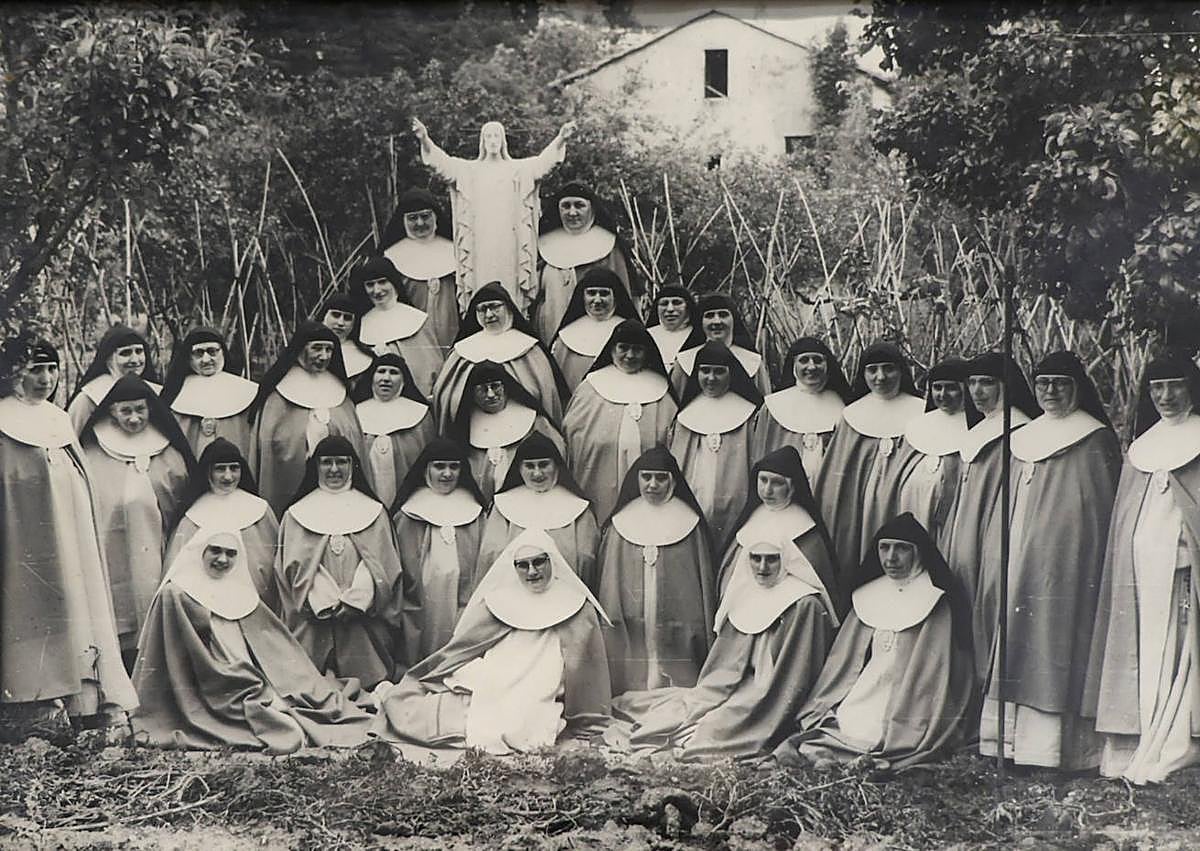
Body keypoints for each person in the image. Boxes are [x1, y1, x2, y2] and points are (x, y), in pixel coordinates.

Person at [977, 351, 1121, 770]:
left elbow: (1094, 509)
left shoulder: (1093, 438)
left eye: (1061, 383)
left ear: (1077, 388)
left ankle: (1053, 750)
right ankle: (1005, 743)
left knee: (1052, 640)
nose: (1051, 392)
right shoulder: (1023, 436)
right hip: (1018, 550)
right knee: (1012, 632)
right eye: (1043, 384)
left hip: (1065, 565)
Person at [132, 531, 377, 753]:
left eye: (231, 553)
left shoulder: (239, 590)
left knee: (303, 707)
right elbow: (176, 659)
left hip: (251, 677)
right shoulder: (176, 594)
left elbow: (274, 644)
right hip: (211, 684)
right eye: (215, 551)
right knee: (282, 725)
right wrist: (236, 677)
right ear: (199, 551)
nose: (222, 560)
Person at [372, 529, 611, 755]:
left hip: (544, 681)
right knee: (415, 712)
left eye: (539, 562)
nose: (532, 572)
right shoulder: (500, 600)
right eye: (523, 565)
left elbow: (585, 669)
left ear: (552, 561)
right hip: (499, 674)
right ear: (514, 568)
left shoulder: (575, 605)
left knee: (525, 722)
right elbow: (463, 648)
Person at [0, 337, 137, 724]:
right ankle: (34, 697)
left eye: (51, 369)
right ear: (12, 373)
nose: (46, 379)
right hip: (26, 541)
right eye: (35, 370)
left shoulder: (58, 419)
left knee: (80, 600)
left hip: (70, 532)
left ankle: (85, 697)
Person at [773, 513, 974, 771]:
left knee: (879, 733)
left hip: (911, 694)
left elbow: (935, 672)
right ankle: (835, 757)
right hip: (869, 685)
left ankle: (844, 758)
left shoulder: (936, 600)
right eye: (884, 548)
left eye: (901, 549)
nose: (891, 558)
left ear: (919, 552)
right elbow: (846, 658)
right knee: (847, 723)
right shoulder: (870, 593)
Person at [613, 536, 839, 762]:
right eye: (755, 558)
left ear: (787, 560)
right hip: (736, 683)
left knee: (712, 730)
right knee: (676, 710)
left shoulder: (804, 604)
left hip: (770, 692)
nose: (762, 568)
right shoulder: (747, 591)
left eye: (772, 560)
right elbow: (727, 664)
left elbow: (793, 677)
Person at [1083, 352, 1200, 784]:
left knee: (1181, 653)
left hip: (1182, 570)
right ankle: (1142, 734)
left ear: (1192, 388)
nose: (1166, 396)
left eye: (1175, 386)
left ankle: (1179, 737)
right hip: (1140, 571)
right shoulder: (1143, 447)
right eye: (1157, 389)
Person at [276, 436, 412, 687]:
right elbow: (293, 567)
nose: (335, 469)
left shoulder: (375, 511)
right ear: (316, 466)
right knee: (313, 683)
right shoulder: (296, 514)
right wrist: (323, 601)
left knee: (367, 683)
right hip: (314, 619)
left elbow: (383, 563)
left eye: (342, 462)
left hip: (363, 620)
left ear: (353, 466)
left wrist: (357, 600)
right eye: (327, 462)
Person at [79, 375, 194, 661]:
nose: (134, 418)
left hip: (159, 547)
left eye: (140, 410)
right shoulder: (93, 452)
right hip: (109, 549)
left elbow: (181, 499)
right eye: (125, 411)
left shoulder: (168, 451)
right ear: (111, 412)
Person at [940, 352, 1038, 681]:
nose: (977, 390)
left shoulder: (1018, 428)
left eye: (987, 382)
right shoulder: (981, 428)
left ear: (1005, 385)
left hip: (994, 530)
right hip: (965, 528)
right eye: (972, 383)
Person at [412, 117, 574, 313]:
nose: (493, 140)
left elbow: (543, 164)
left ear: (503, 140)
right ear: (482, 141)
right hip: (480, 243)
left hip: (510, 242)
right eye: (488, 136)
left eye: (496, 135)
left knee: (510, 287)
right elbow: (443, 165)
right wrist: (425, 139)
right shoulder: (469, 170)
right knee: (481, 284)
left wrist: (561, 139)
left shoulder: (518, 170)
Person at [597, 447, 716, 696]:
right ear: (636, 479)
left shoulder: (689, 523)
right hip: (631, 618)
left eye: (660, 478)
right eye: (646, 477)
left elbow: (698, 584)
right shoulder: (621, 522)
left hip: (676, 622)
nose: (652, 485)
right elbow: (611, 581)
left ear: (672, 481)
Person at [815, 342, 924, 589]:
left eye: (889, 369)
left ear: (902, 372)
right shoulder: (851, 416)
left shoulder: (922, 413)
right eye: (872, 370)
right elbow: (836, 478)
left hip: (903, 507)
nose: (881, 377)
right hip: (857, 515)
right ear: (863, 375)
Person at [562, 321, 678, 522]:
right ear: (611, 349)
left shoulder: (662, 392)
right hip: (598, 478)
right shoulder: (590, 387)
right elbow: (573, 436)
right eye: (623, 348)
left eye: (637, 350)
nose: (630, 356)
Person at [249, 321, 368, 517]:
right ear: (300, 350)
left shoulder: (341, 394)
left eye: (329, 349)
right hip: (291, 483)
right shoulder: (277, 397)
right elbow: (271, 446)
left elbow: (354, 440)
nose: (324, 356)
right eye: (317, 348)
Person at [716, 447, 843, 617]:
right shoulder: (752, 517)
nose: (767, 490)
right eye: (763, 480)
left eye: (776, 483)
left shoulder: (804, 529)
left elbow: (815, 589)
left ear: (791, 486)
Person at [392, 439, 489, 659]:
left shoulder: (475, 511)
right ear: (426, 469)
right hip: (421, 601)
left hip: (463, 597)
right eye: (439, 467)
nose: (447, 474)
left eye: (454, 467)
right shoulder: (408, 513)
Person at [431, 282, 569, 432]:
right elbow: (445, 395)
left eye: (495, 307)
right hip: (474, 427)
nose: (489, 315)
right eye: (482, 309)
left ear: (508, 307)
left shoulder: (529, 349)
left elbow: (545, 393)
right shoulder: (462, 351)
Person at [476, 432, 601, 594]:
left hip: (567, 593)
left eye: (543, 465)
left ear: (556, 466)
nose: (537, 473)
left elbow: (587, 559)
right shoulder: (503, 506)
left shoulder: (579, 507)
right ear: (519, 469)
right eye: (529, 466)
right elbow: (491, 556)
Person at [166, 438, 281, 615]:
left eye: (234, 468)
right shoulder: (193, 514)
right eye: (220, 469)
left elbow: (273, 560)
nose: (228, 476)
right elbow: (178, 568)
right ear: (208, 472)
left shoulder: (259, 510)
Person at [668, 341, 763, 549]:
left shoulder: (749, 415)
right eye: (705, 371)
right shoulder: (685, 415)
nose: (711, 378)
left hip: (736, 502)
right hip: (694, 499)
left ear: (732, 374)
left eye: (719, 372)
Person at [532, 182, 634, 344]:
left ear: (592, 208)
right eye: (566, 206)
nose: (572, 212)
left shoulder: (609, 246)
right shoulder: (543, 244)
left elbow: (624, 294)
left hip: (596, 328)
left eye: (579, 205)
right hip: (549, 323)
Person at [450, 360, 565, 501]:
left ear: (506, 387)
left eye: (496, 386)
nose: (491, 394)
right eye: (482, 389)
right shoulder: (463, 429)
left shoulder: (537, 422)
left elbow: (559, 460)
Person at [887, 358, 972, 539]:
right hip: (911, 507)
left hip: (950, 521)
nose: (942, 394)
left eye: (951, 388)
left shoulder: (976, 429)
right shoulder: (918, 427)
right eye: (937, 387)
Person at [751, 337, 850, 483]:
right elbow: (761, 454)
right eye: (804, 360)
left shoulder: (843, 408)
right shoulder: (773, 407)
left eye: (817, 360)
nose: (811, 367)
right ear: (793, 364)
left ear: (827, 364)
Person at [350, 257, 444, 397]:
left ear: (394, 282)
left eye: (382, 282)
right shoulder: (360, 325)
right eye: (370, 284)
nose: (377, 290)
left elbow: (433, 366)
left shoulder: (417, 320)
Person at [352, 353, 436, 509]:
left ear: (404, 380)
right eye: (381, 371)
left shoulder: (420, 414)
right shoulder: (355, 413)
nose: (386, 378)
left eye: (394, 373)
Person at [380, 188, 460, 351]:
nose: (420, 223)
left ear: (435, 216)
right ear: (403, 221)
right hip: (411, 336)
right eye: (412, 218)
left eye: (425, 216)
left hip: (452, 329)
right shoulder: (391, 257)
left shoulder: (456, 251)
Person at [159, 327, 258, 458]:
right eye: (198, 353)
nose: (206, 360)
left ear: (222, 352)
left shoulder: (246, 392)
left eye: (212, 352)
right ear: (188, 357)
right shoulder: (174, 394)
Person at [549, 267, 641, 393]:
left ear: (615, 296)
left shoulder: (629, 331)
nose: (597, 300)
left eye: (604, 293)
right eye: (591, 293)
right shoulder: (565, 337)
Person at [668, 293, 771, 398]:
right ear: (701, 322)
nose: (716, 321)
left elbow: (765, 408)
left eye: (723, 315)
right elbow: (674, 405)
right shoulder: (684, 362)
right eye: (709, 316)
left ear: (734, 319)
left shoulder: (752, 361)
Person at [67, 325, 161, 434]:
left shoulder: (156, 393)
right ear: (109, 359)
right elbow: (69, 439)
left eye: (139, 351)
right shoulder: (89, 398)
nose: (135, 360)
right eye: (125, 353)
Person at [321, 292, 376, 380]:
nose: (340, 323)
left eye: (347, 318)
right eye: (335, 315)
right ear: (323, 316)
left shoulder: (365, 356)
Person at [646, 285, 696, 369]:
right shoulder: (646, 335)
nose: (670, 309)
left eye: (676, 303)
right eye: (664, 304)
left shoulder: (699, 335)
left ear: (688, 306)